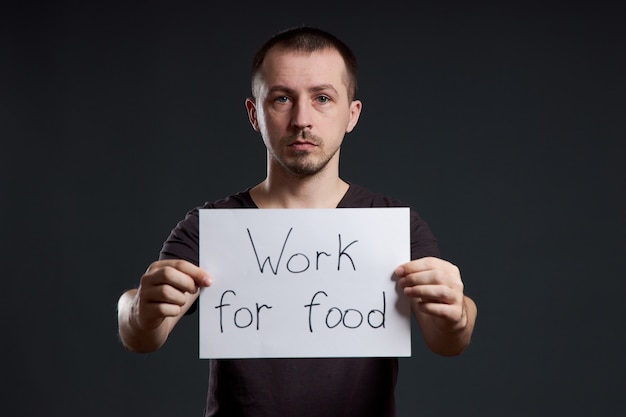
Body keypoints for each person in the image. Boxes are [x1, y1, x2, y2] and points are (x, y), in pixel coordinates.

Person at [117, 26, 477, 417]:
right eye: (282, 99)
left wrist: (458, 313)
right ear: (255, 114)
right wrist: (138, 310)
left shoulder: (393, 225)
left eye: (322, 98)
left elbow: (448, 340)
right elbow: (142, 334)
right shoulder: (212, 226)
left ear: (351, 114)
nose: (302, 119)